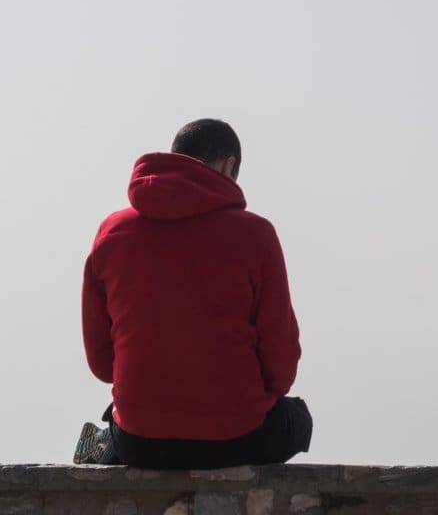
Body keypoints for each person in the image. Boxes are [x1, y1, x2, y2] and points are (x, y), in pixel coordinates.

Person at [77, 119, 311, 469]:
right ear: (229, 165)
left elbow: (101, 363)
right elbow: (281, 364)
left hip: (141, 441)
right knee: (299, 420)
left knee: (121, 416)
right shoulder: (256, 235)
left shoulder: (111, 232)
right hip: (238, 438)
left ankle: (102, 442)